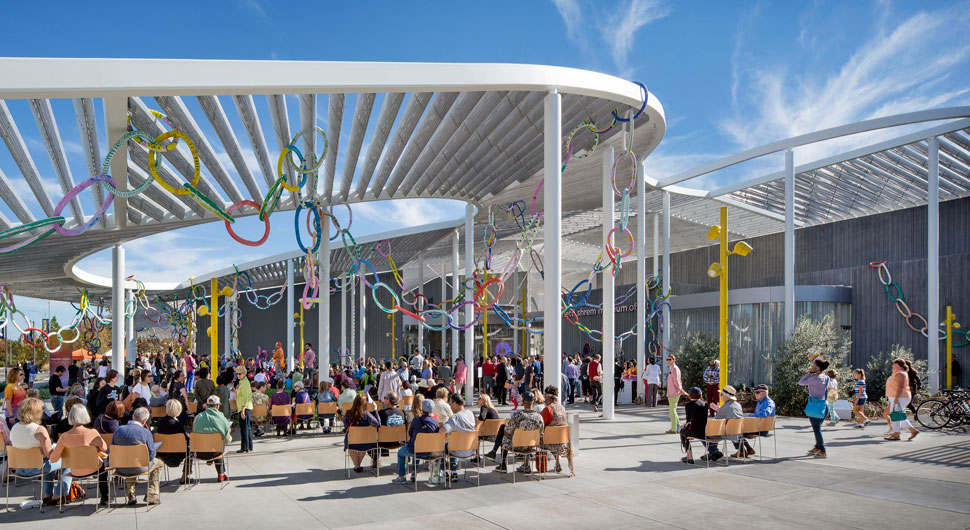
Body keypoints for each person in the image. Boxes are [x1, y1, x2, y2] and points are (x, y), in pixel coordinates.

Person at [9, 398, 72, 505]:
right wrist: (59, 448)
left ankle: (47, 494)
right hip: (36, 468)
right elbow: (50, 455)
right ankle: (59, 494)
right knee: (68, 461)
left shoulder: (14, 427)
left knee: (48, 462)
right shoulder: (39, 429)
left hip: (19, 468)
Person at [50, 403, 110, 505]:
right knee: (104, 469)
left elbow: (53, 459)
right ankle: (105, 497)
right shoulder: (92, 433)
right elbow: (104, 448)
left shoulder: (64, 437)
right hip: (93, 468)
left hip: (75, 470)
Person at [111, 406, 162, 505]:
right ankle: (151, 493)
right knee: (159, 463)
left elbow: (112, 449)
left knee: (129, 459)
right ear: (144, 421)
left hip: (121, 467)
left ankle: (131, 492)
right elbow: (151, 454)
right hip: (140, 466)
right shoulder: (146, 432)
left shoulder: (118, 430)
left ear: (133, 417)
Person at [392, 398, 439, 485]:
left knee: (401, 453)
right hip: (429, 451)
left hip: (415, 450)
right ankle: (414, 472)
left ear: (422, 408)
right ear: (432, 409)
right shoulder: (435, 422)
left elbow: (410, 433)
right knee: (418, 447)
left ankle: (402, 477)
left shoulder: (416, 420)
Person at [496, 390, 544, 473]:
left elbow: (507, 432)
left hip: (518, 446)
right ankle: (526, 465)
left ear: (523, 402)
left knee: (505, 437)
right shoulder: (539, 417)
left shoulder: (518, 415)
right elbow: (541, 432)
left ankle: (503, 463)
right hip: (532, 445)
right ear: (533, 402)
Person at [193, 395, 231, 482]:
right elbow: (227, 439)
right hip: (215, 452)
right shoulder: (222, 417)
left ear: (206, 405)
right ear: (217, 406)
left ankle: (219, 471)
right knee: (221, 441)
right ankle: (221, 474)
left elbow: (194, 431)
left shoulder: (198, 417)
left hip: (200, 452)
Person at [799, 358, 831, 458]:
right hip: (825, 405)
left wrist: (809, 373)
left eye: (814, 365)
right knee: (818, 428)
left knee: (817, 429)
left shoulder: (814, 379)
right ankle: (817, 447)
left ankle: (822, 450)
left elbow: (801, 382)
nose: (812, 366)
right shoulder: (826, 378)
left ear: (817, 367)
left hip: (815, 406)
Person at [540, 386, 575, 476]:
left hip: (548, 442)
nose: (544, 400)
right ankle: (557, 463)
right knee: (553, 434)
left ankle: (527, 464)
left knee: (533, 436)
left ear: (548, 398)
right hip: (562, 441)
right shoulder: (563, 409)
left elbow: (540, 424)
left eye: (545, 398)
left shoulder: (548, 409)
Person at [155, 399, 191, 484]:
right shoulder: (177, 425)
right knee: (191, 451)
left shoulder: (160, 423)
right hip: (178, 453)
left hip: (162, 453)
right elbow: (185, 440)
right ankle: (184, 476)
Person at [442, 392, 476, 482]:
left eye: (450, 403)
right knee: (454, 443)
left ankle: (442, 471)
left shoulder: (455, 418)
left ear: (454, 403)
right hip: (470, 449)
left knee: (443, 446)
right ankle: (453, 472)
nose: (450, 406)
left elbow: (442, 431)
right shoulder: (470, 414)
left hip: (457, 450)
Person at [344, 393, 380, 473]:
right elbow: (378, 424)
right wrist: (375, 410)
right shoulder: (366, 414)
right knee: (364, 442)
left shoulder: (347, 414)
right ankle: (357, 466)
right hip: (365, 442)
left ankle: (357, 466)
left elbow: (346, 427)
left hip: (352, 442)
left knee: (352, 444)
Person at [886, 358, 919, 441]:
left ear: (898, 364)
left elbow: (900, 387)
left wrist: (896, 398)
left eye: (894, 363)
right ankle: (910, 431)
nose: (892, 365)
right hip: (898, 397)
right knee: (896, 415)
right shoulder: (898, 373)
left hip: (900, 397)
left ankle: (896, 434)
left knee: (896, 415)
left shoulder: (900, 373)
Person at [679, 387, 708, 465]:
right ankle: (689, 456)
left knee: (682, 432)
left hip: (694, 431)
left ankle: (689, 456)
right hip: (704, 431)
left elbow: (688, 420)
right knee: (685, 432)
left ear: (690, 395)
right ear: (700, 395)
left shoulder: (688, 405)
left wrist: (684, 425)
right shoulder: (705, 404)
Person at [235, 365, 254, 453]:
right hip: (244, 407)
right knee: (247, 427)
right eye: (237, 374)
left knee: (244, 428)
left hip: (244, 407)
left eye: (240, 373)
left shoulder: (245, 383)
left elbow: (246, 397)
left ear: (244, 373)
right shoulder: (242, 382)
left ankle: (245, 447)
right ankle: (249, 445)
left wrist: (243, 410)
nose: (238, 375)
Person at [666, 355, 686, 434]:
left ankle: (674, 428)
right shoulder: (673, 368)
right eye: (667, 359)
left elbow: (677, 381)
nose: (668, 361)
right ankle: (677, 426)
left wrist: (680, 389)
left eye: (670, 359)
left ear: (674, 360)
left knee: (672, 410)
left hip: (673, 392)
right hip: (673, 391)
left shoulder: (674, 369)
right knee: (673, 409)